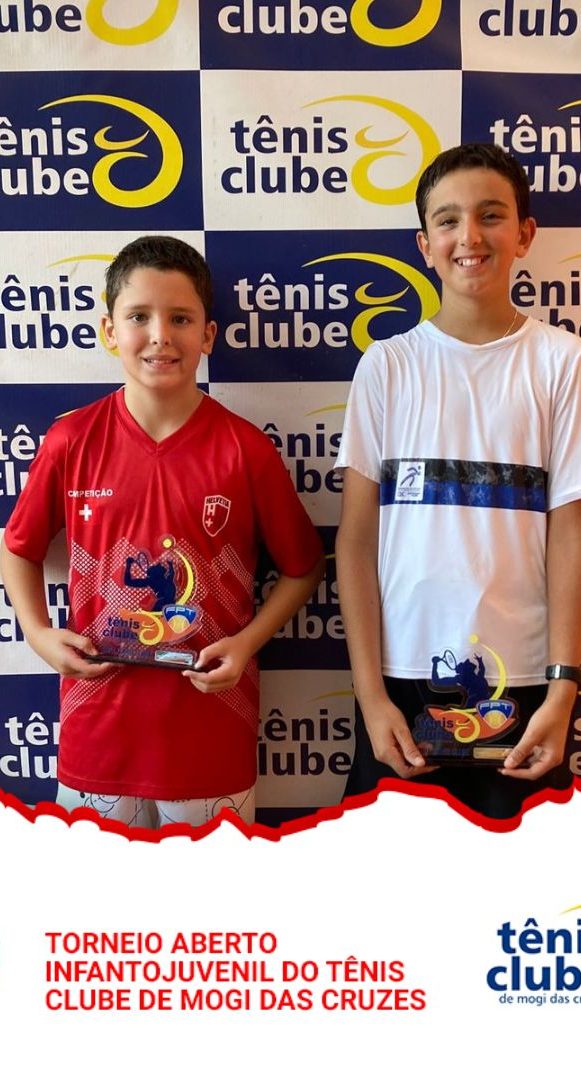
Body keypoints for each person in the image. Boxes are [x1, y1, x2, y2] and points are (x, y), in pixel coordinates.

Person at [0, 235, 324, 829]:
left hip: (211, 735)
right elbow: (17, 547)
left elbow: (303, 568)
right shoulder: (71, 441)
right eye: (138, 317)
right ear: (108, 330)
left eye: (180, 318)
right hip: (97, 733)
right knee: (98, 891)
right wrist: (39, 635)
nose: (159, 336)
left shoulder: (245, 449)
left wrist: (246, 643)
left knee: (213, 891)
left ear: (208, 335)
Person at [335, 143, 581, 820]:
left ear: (524, 234)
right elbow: (355, 542)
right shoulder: (387, 367)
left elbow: (569, 531)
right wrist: (370, 696)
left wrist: (563, 688)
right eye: (447, 221)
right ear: (425, 245)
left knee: (518, 879)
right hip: (402, 684)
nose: (469, 237)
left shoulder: (562, 361)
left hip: (526, 682)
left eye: (490, 215)